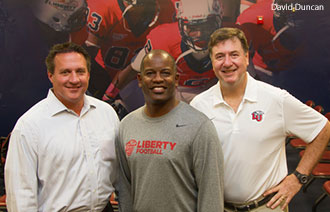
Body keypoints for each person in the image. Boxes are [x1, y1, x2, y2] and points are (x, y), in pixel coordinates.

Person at [190, 27, 330, 211]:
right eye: (219, 56)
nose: (227, 63)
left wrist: (298, 178)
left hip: (267, 207)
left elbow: (323, 128)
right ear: (212, 61)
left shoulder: (276, 99)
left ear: (246, 57)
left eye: (234, 54)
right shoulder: (199, 105)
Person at [4, 42, 120, 211]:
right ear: (50, 75)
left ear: (88, 74)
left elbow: (118, 174)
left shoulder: (106, 113)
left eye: (80, 71)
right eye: (65, 72)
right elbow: (21, 195)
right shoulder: (30, 125)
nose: (74, 79)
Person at [115, 49, 224, 212]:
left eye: (165, 73)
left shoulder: (199, 126)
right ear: (139, 79)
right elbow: (124, 189)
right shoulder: (126, 125)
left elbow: (211, 195)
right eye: (150, 73)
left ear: (176, 79)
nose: (158, 79)